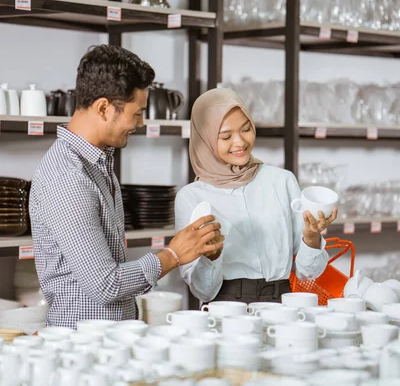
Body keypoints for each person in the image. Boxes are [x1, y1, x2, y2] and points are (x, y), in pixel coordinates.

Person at [29, 45, 224, 329]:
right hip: (83, 346)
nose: (141, 123)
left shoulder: (96, 162)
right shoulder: (68, 177)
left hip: (108, 339)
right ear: (104, 108)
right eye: (137, 113)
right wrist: (173, 255)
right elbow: (104, 284)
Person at [175, 88, 337, 304]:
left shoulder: (281, 181)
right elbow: (203, 292)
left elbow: (308, 273)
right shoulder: (191, 197)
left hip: (282, 301)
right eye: (226, 136)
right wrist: (212, 256)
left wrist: (311, 237)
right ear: (204, 139)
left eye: (246, 129)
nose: (240, 142)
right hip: (226, 306)